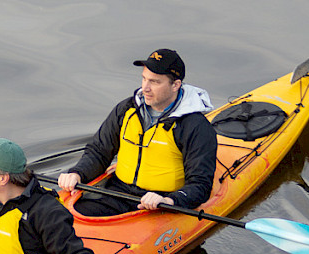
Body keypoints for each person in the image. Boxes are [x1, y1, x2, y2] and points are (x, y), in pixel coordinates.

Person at [58, 48, 218, 216]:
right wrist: (77, 173)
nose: (145, 88)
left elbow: (200, 184)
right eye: (144, 79)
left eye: (155, 82)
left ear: (175, 85)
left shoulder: (195, 126)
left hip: (161, 202)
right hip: (117, 193)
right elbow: (99, 151)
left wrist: (170, 201)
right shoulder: (126, 110)